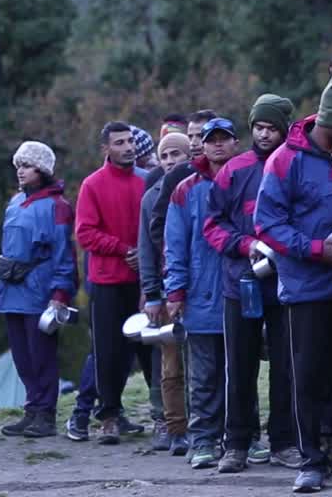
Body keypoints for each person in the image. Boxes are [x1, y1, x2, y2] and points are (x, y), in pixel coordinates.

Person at [254, 73, 332, 493]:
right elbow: (267, 223)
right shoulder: (286, 160)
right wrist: (316, 249)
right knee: (309, 376)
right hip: (307, 289)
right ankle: (311, 460)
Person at [204, 94, 300, 473]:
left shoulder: (295, 164)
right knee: (239, 366)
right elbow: (212, 224)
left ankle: (285, 441)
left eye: (271, 127)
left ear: (284, 129)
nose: (263, 134)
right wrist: (246, 245)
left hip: (288, 283)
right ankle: (237, 444)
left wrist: (283, 248)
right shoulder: (233, 170)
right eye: (258, 127)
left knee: (286, 366)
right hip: (240, 281)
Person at [164, 117, 239, 468]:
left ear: (235, 143)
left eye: (225, 139)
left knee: (239, 372)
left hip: (241, 292)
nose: (218, 145)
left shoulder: (250, 179)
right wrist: (174, 291)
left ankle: (243, 437)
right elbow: (174, 246)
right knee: (203, 375)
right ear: (203, 145)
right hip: (200, 295)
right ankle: (203, 439)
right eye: (212, 140)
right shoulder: (185, 189)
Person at [75, 121, 153, 444]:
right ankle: (108, 416)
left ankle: (164, 415)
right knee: (108, 351)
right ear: (106, 149)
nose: (128, 147)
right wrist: (124, 250)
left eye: (129, 141)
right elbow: (85, 233)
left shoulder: (148, 181)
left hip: (144, 280)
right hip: (107, 280)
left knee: (150, 349)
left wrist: (144, 254)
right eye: (119, 143)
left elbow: (156, 225)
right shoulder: (92, 185)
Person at [0, 141, 76, 439]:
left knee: (41, 355)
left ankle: (46, 414)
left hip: (39, 291)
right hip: (11, 289)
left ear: (42, 170)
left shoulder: (58, 207)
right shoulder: (15, 203)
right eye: (18, 165)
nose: (21, 171)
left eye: (27, 166)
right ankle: (31, 410)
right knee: (21, 356)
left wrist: (60, 296)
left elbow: (63, 256)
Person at [138, 132, 193, 453]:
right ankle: (174, 428)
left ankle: (204, 424)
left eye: (177, 154)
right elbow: (146, 250)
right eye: (165, 155)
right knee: (170, 365)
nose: (171, 160)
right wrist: (152, 293)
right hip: (164, 288)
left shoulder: (200, 187)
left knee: (202, 363)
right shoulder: (150, 198)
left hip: (196, 288)